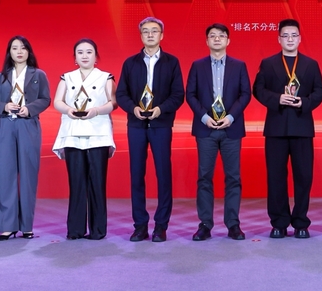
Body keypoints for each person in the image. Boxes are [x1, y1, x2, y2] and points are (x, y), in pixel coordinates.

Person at [253, 19, 322, 239]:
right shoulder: (268, 63)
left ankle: (301, 222)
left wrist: (304, 102)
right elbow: (258, 89)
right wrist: (277, 98)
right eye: (285, 35)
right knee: (276, 177)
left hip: (302, 126)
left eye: (294, 35)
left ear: (300, 38)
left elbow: (319, 91)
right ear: (279, 39)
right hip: (276, 127)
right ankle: (279, 222)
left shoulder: (311, 64)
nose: (290, 39)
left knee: (304, 176)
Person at [115, 17, 185, 243]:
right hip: (136, 125)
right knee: (137, 175)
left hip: (161, 124)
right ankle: (140, 226)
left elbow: (178, 94)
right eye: (146, 31)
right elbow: (121, 94)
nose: (150, 35)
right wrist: (133, 108)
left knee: (163, 174)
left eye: (154, 31)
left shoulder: (172, 62)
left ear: (161, 35)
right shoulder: (130, 63)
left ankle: (161, 226)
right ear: (141, 36)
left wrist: (161, 109)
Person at [186, 23, 252, 241]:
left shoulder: (239, 65)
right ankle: (205, 224)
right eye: (212, 36)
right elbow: (190, 94)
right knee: (204, 177)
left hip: (231, 128)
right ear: (207, 41)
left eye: (221, 36)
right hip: (205, 129)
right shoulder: (197, 66)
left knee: (233, 177)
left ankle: (233, 224)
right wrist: (204, 117)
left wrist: (230, 117)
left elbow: (245, 94)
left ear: (228, 41)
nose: (217, 39)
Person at [52, 39, 117, 240]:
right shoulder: (67, 77)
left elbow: (113, 102)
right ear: (75, 57)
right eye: (80, 52)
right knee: (76, 181)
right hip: (73, 132)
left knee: (97, 181)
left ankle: (98, 230)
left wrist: (96, 110)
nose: (85, 56)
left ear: (96, 56)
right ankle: (75, 229)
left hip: (98, 132)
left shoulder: (106, 77)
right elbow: (57, 101)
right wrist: (68, 110)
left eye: (89, 52)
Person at [0, 36, 51, 240]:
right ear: (10, 52)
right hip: (5, 125)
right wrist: (4, 106)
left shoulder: (38, 74)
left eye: (23, 48)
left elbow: (45, 99)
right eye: (15, 48)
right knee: (4, 174)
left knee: (28, 175)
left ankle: (26, 226)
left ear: (29, 51)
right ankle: (7, 226)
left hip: (28, 125)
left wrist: (29, 109)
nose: (19, 52)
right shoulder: (0, 77)